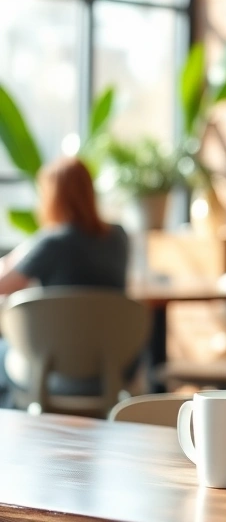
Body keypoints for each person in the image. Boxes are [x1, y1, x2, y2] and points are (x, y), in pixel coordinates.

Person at [0, 156, 130, 403]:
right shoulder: (119, 237)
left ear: (52, 197)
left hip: (55, 367)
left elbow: (3, 284)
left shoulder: (51, 243)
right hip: (114, 364)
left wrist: (21, 251)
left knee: (3, 352)